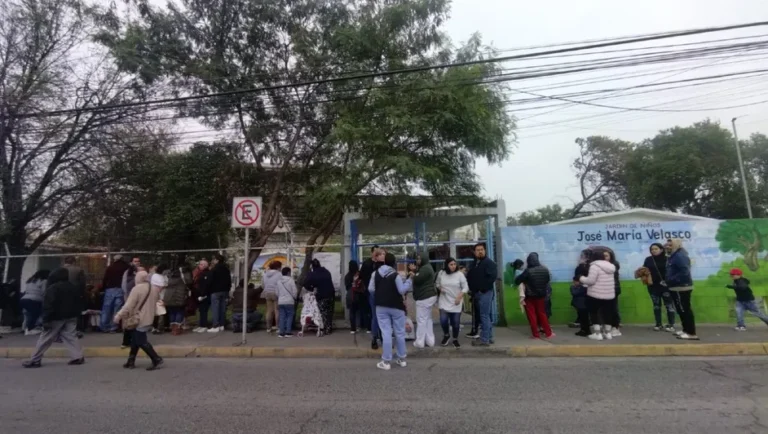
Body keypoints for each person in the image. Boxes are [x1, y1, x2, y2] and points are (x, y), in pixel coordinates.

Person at [22, 268, 85, 368]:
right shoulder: (74, 287)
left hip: (56, 317)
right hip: (72, 316)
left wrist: (46, 319)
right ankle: (77, 357)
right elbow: (80, 302)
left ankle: (35, 360)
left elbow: (48, 305)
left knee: (45, 338)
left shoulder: (53, 288)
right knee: (71, 336)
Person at [113, 271, 163, 370]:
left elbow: (129, 305)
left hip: (139, 318)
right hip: (149, 317)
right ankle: (131, 361)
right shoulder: (154, 288)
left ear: (138, 278)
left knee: (140, 340)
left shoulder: (137, 289)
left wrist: (118, 315)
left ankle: (156, 358)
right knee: (135, 340)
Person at [370, 252, 412, 370]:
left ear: (383, 262)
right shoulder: (396, 275)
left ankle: (386, 361)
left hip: (381, 307)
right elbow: (402, 290)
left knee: (386, 333)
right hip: (396, 307)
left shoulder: (375, 274)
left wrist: (380, 294)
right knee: (399, 333)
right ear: (394, 263)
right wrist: (409, 281)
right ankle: (401, 359)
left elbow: (370, 289)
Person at [637, 243, 676, 332]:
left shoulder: (668, 259)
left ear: (661, 250)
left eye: (656, 249)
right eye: (652, 249)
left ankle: (671, 324)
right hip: (652, 286)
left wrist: (668, 281)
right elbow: (645, 270)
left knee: (669, 305)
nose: (653, 251)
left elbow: (672, 271)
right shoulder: (648, 259)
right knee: (656, 306)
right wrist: (641, 271)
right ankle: (658, 324)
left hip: (666, 286)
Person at [514, 252, 554, 339]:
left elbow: (517, 280)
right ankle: (549, 333)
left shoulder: (528, 271)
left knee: (532, 315)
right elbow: (547, 280)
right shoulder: (544, 269)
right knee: (542, 314)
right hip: (541, 296)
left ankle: (535, 335)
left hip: (530, 297)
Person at [579, 250, 617, 341]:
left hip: (595, 294)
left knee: (594, 313)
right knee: (608, 313)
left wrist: (581, 278)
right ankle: (608, 333)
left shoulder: (594, 266)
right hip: (609, 294)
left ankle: (597, 334)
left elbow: (591, 281)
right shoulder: (611, 266)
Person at [666, 238, 698, 340]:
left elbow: (685, 271)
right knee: (680, 310)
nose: (667, 246)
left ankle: (691, 333)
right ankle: (685, 330)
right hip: (676, 287)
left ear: (677, 245)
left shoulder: (680, 256)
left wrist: (671, 280)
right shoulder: (674, 256)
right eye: (667, 245)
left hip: (681, 287)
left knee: (684, 310)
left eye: (670, 245)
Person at [467, 243, 497, 347]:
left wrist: (482, 290)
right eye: (478, 250)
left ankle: (484, 340)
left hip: (485, 293)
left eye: (482, 249)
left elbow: (492, 278)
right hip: (477, 293)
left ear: (485, 251)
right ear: (474, 252)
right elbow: (471, 276)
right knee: (486, 315)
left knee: (484, 315)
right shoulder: (476, 263)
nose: (480, 251)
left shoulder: (489, 263)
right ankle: (488, 337)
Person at [435, 257, 468, 348]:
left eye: (454, 264)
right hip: (444, 301)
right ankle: (446, 335)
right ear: (447, 265)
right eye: (451, 264)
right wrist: (440, 288)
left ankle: (455, 339)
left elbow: (465, 287)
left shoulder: (459, 274)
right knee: (443, 320)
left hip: (456, 302)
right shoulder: (441, 273)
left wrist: (459, 296)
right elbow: (437, 284)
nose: (453, 266)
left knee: (456, 323)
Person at [410, 252, 436, 348]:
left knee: (421, 320)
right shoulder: (426, 267)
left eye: (419, 259)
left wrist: (413, 275)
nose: (417, 261)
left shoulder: (425, 268)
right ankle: (430, 341)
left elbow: (417, 279)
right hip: (429, 297)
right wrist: (415, 271)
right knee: (427, 319)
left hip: (424, 297)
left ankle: (420, 342)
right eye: (417, 259)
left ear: (424, 259)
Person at [305, 259, 336, 335]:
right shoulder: (326, 272)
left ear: (312, 266)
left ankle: (323, 328)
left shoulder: (312, 274)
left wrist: (312, 289)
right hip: (331, 294)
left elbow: (305, 284)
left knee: (322, 312)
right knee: (329, 312)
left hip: (321, 295)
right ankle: (329, 327)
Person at [100, 255, 130, 333]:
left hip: (110, 289)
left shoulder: (110, 267)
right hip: (121, 289)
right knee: (117, 309)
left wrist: (103, 288)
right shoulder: (126, 267)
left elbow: (105, 278)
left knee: (107, 308)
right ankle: (113, 327)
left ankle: (104, 326)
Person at [359, 246, 381, 347]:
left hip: (380, 292)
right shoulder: (367, 263)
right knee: (373, 314)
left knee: (379, 315)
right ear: (372, 253)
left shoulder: (381, 264)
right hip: (370, 292)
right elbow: (362, 276)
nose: (378, 255)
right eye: (376, 252)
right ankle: (372, 332)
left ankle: (379, 335)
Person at [207, 254, 232, 332]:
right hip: (225, 291)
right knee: (222, 308)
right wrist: (228, 290)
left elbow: (210, 281)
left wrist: (208, 289)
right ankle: (222, 324)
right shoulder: (226, 269)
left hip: (215, 291)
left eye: (214, 259)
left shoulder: (214, 270)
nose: (213, 261)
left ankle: (215, 325)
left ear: (217, 260)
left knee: (215, 309)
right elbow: (229, 281)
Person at [21, 270, 49, 336]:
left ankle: (24, 328)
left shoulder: (30, 281)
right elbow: (44, 292)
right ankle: (30, 329)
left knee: (27, 315)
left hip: (24, 299)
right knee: (37, 315)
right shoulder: (44, 281)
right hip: (34, 300)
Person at [571, 250, 591, 337]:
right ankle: (586, 327)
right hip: (591, 290)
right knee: (587, 311)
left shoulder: (581, 267)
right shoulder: (593, 266)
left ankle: (585, 329)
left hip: (582, 291)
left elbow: (576, 279)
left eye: (582, 256)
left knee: (582, 311)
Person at [164, 268, 188, 335]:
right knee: (179, 312)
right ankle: (177, 328)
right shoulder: (181, 280)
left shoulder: (169, 280)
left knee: (172, 313)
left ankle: (173, 328)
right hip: (179, 298)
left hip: (169, 299)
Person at [604, 250, 622, 337]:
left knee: (613, 308)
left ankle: (616, 327)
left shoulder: (613, 265)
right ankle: (608, 327)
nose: (604, 258)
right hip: (603, 289)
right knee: (605, 309)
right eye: (603, 256)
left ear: (611, 256)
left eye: (606, 256)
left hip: (613, 289)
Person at [344, 260, 365, 334]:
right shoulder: (359, 275)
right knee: (359, 311)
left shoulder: (347, 276)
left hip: (351, 296)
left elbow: (347, 287)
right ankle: (359, 326)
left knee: (352, 312)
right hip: (359, 295)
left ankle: (353, 328)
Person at [277, 267, 299, 337]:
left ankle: (281, 332)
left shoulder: (278, 281)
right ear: (288, 273)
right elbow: (294, 291)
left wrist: (280, 297)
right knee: (289, 316)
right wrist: (294, 297)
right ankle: (288, 332)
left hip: (281, 301)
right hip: (289, 301)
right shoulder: (291, 280)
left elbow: (276, 292)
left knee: (282, 316)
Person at [261, 261, 282, 333]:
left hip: (267, 293)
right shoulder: (279, 274)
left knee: (269, 311)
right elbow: (281, 284)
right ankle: (278, 327)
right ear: (278, 267)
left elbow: (262, 285)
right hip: (276, 293)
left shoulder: (265, 274)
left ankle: (268, 328)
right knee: (277, 310)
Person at [193, 259, 211, 333]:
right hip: (200, 294)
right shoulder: (201, 273)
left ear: (204, 265)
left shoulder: (206, 274)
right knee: (201, 310)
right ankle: (201, 325)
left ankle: (204, 325)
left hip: (204, 295)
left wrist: (203, 294)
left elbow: (205, 285)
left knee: (204, 310)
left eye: (200, 264)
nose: (199, 266)